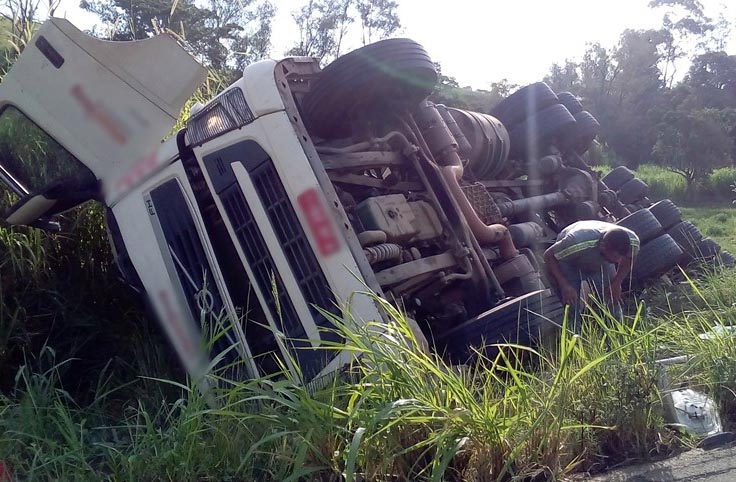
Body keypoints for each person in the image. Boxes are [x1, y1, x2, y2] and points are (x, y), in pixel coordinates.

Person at [543, 220, 639, 326]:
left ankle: (617, 333)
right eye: (615, 257)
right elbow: (549, 255)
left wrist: (617, 282)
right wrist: (565, 285)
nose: (617, 261)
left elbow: (630, 258)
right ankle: (574, 335)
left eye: (620, 257)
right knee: (571, 304)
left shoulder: (632, 241)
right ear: (603, 246)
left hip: (602, 264)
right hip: (570, 263)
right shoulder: (575, 242)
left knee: (612, 298)